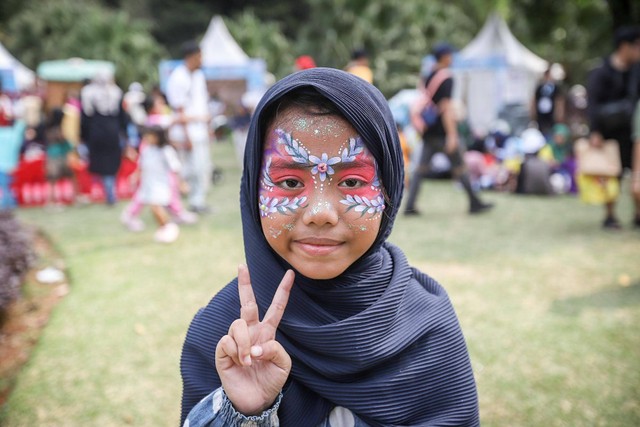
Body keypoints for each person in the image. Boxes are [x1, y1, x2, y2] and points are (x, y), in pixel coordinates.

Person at [180, 68, 479, 426]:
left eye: (353, 181)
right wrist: (242, 413)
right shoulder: (223, 338)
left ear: (389, 188)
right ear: (252, 190)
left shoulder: (427, 325)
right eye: (289, 182)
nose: (320, 213)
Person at [405, 42, 493, 215]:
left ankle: (409, 206)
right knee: (460, 167)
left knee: (421, 170)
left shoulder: (428, 75)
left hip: (428, 131)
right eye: (450, 55)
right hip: (442, 132)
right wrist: (452, 135)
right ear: (445, 57)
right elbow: (446, 109)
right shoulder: (446, 78)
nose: (452, 58)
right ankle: (475, 203)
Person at [586, 26, 640, 229]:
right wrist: (595, 131)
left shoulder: (636, 71)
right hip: (609, 132)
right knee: (610, 175)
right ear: (625, 46)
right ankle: (610, 215)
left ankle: (638, 214)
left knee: (637, 172)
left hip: (633, 131)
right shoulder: (602, 71)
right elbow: (593, 103)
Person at [166, 40, 213, 214]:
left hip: (199, 129)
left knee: (202, 168)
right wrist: (187, 137)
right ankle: (172, 201)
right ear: (191, 57)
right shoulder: (178, 77)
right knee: (185, 170)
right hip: (186, 132)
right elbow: (179, 110)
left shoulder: (198, 76)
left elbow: (202, 105)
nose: (201, 59)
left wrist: (207, 127)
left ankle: (197, 202)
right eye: (199, 56)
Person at [122, 125, 180, 243]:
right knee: (153, 208)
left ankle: (168, 226)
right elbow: (141, 166)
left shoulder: (166, 151)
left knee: (156, 206)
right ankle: (163, 228)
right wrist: (135, 176)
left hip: (161, 183)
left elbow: (175, 167)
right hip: (148, 183)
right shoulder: (147, 151)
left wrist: (180, 183)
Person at [80, 70, 127, 205]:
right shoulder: (116, 92)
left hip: (97, 132)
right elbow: (122, 117)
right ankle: (110, 192)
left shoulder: (88, 92)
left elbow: (85, 118)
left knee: (104, 164)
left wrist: (83, 136)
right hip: (112, 132)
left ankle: (109, 193)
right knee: (109, 164)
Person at [44, 108, 73, 207]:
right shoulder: (57, 129)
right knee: (55, 179)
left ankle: (51, 201)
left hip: (51, 155)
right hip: (58, 157)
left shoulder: (48, 127)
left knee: (52, 180)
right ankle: (52, 201)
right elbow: (64, 143)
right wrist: (71, 147)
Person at [531, 67, 565, 138]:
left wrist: (559, 112)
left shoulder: (555, 87)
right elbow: (534, 100)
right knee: (541, 129)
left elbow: (559, 101)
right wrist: (533, 112)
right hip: (541, 113)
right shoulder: (540, 87)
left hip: (551, 113)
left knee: (552, 129)